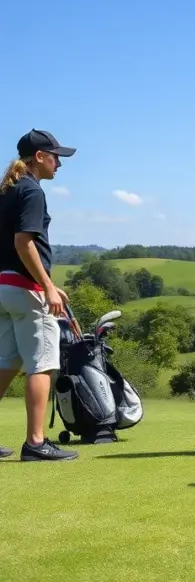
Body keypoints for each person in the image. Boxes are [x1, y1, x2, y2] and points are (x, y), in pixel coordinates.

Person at [0, 129, 79, 461]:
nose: (59, 163)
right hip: (25, 291)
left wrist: (47, 282)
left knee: (6, 362)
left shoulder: (8, 189)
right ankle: (35, 443)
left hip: (4, 287)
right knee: (42, 364)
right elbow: (24, 242)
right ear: (39, 157)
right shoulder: (32, 190)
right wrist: (46, 286)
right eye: (55, 157)